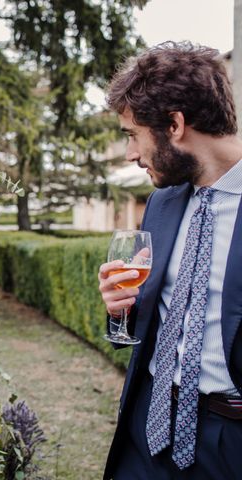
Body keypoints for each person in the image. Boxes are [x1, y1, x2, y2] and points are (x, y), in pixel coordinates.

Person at [98, 42, 242, 479]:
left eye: (132, 134)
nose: (130, 154)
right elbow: (148, 317)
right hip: (147, 428)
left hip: (230, 442)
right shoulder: (161, 203)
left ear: (175, 124)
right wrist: (119, 311)